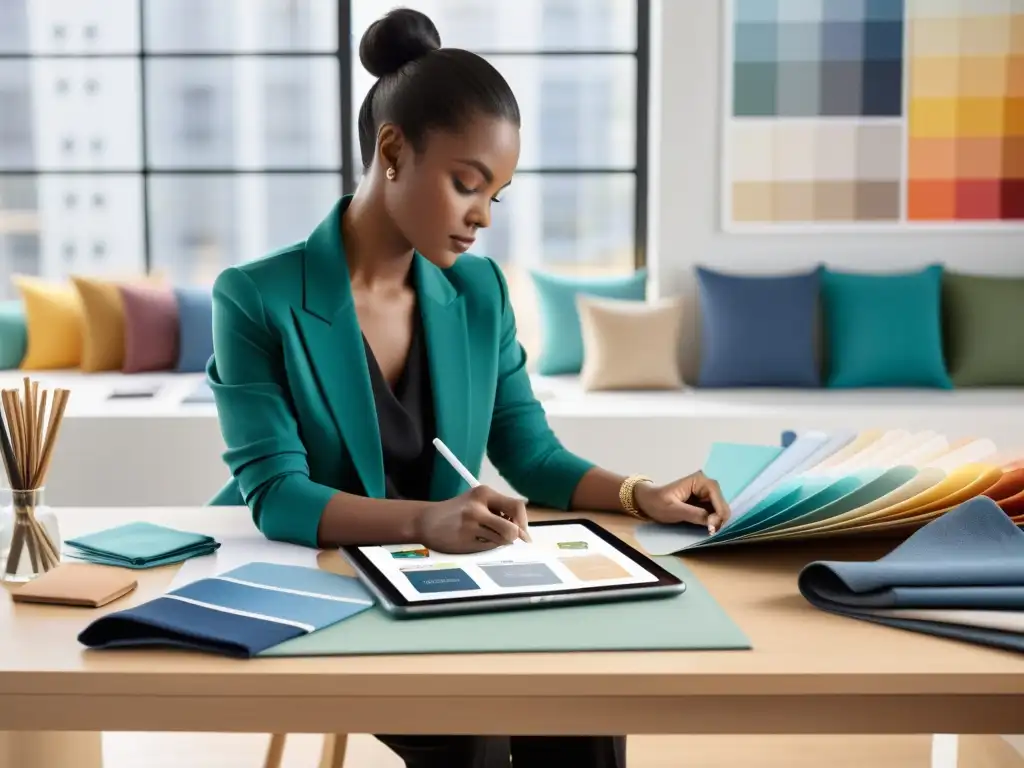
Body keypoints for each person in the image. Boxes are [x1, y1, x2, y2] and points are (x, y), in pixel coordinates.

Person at [207, 7, 730, 768]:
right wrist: (428, 520)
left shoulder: (478, 292)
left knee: (579, 705)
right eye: (467, 184)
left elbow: (530, 451)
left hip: (452, 582)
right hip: (323, 587)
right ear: (393, 151)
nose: (483, 217)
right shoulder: (255, 297)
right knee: (474, 729)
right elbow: (278, 496)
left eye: (498, 194)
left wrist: (639, 494)